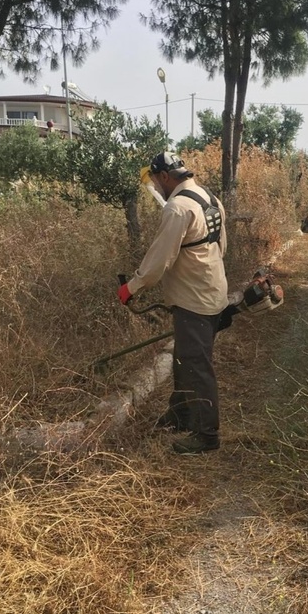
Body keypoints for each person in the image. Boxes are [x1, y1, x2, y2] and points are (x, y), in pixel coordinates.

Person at [117, 152, 229, 454]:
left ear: (165, 177)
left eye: (155, 180)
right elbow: (222, 246)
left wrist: (132, 286)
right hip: (212, 292)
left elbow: (159, 261)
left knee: (196, 366)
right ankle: (180, 414)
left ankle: (206, 435)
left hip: (194, 299)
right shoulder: (208, 197)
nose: (156, 186)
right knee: (184, 357)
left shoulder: (178, 208)